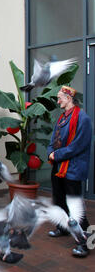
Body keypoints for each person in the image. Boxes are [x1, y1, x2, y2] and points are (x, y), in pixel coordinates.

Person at [47, 85, 92, 257]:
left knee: (75, 206)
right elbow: (53, 139)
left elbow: (78, 145)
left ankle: (86, 241)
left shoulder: (83, 119)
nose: (58, 101)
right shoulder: (61, 118)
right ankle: (63, 227)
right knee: (58, 199)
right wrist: (50, 152)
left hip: (72, 168)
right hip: (58, 166)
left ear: (69, 99)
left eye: (60, 98)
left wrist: (56, 154)